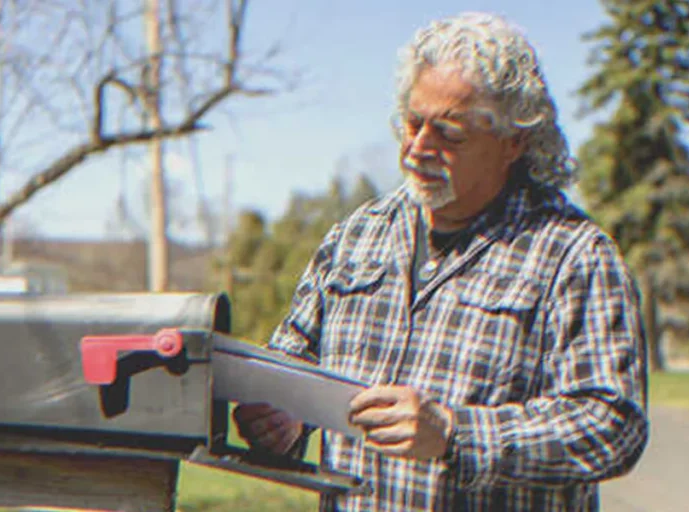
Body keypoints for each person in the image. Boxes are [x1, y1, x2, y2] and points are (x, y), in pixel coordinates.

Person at [233, 11, 649, 512]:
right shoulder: (356, 236)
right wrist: (282, 421)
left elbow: (613, 427)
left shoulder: (574, 255)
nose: (418, 148)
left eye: (449, 134)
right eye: (411, 123)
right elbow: (290, 365)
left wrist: (456, 434)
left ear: (514, 141)